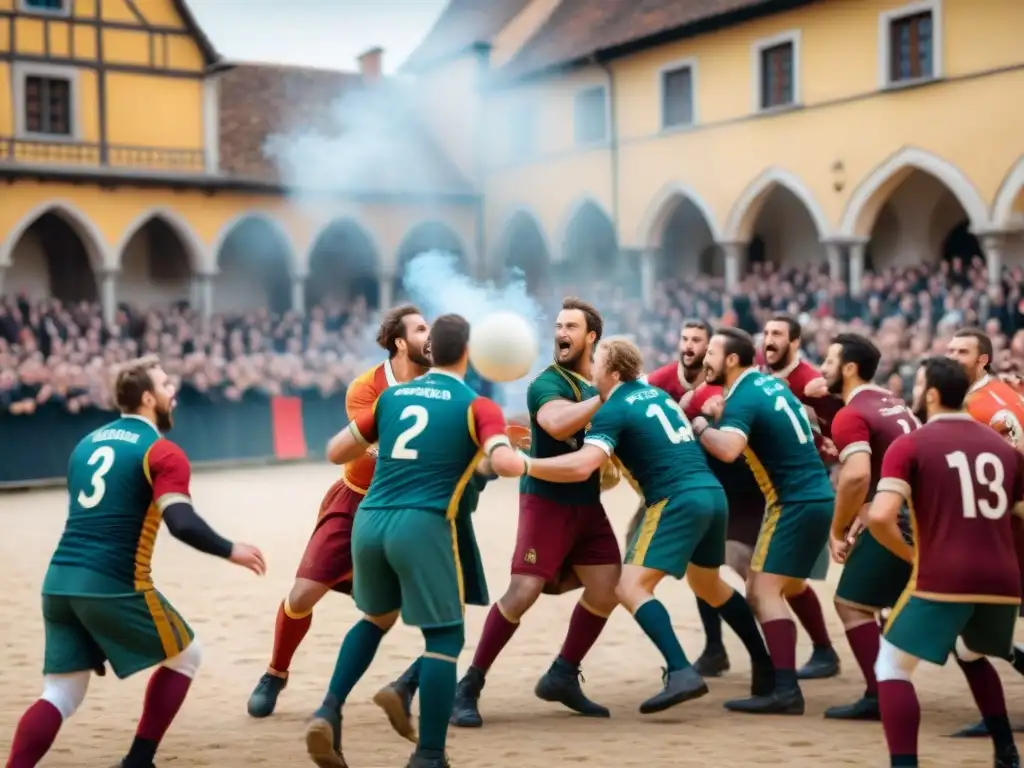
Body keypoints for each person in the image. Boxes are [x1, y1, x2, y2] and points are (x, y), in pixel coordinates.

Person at [5, 356, 266, 768]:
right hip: (112, 581)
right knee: (187, 655)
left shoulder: (86, 444)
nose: (173, 392)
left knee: (59, 694)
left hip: (57, 582)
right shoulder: (162, 452)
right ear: (148, 398)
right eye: (166, 385)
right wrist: (230, 548)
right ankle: (138, 760)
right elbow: (180, 523)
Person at [303, 313, 527, 768]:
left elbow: (333, 452)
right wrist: (515, 453)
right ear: (471, 353)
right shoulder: (478, 404)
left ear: (432, 350)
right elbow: (502, 464)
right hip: (422, 525)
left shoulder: (392, 398)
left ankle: (328, 708)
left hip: (369, 520)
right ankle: (428, 755)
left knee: (375, 617)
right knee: (446, 636)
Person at [524, 337, 773, 712]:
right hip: (711, 494)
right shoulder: (658, 396)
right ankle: (765, 666)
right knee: (708, 584)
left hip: (675, 500)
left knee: (627, 586)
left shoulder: (613, 409)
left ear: (611, 372)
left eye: (596, 364)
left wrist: (525, 464)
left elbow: (582, 466)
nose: (590, 371)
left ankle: (680, 671)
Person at [247, 305, 430, 719]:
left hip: (407, 507)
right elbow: (370, 450)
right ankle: (275, 672)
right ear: (400, 342)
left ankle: (411, 685)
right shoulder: (365, 387)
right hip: (356, 498)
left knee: (411, 608)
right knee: (302, 594)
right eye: (421, 329)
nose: (430, 335)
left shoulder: (442, 385)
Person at [451, 297, 621, 727]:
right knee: (523, 592)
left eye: (571, 326)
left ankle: (563, 673)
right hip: (546, 502)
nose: (561, 332)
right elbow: (556, 424)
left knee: (607, 587)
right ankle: (468, 685)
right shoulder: (547, 382)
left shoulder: (593, 385)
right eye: (559, 325)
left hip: (586, 504)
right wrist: (606, 398)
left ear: (591, 336)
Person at [868, 356, 1024, 768]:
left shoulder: (911, 444)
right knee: (971, 652)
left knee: (891, 667)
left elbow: (882, 516)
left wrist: (910, 554)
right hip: (1004, 578)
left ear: (932, 394)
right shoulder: (1004, 450)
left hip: (945, 575)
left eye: (919, 386)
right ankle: (1006, 752)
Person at [692, 328, 834, 715]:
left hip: (792, 502)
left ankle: (785, 689)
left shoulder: (744, 394)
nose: (705, 358)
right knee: (770, 586)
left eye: (712, 353)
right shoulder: (767, 385)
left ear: (732, 360)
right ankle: (788, 675)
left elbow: (729, 449)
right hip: (813, 495)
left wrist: (703, 427)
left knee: (762, 593)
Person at [643, 319, 765, 678]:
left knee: (752, 576)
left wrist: (700, 411)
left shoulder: (717, 387)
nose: (691, 346)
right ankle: (720, 649)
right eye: (685, 339)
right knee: (702, 572)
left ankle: (778, 651)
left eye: (700, 341)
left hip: (733, 486)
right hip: (681, 486)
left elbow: (720, 410)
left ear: (715, 351)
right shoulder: (660, 379)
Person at [818, 333, 916, 721]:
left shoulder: (851, 413)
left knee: (852, 604)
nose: (823, 369)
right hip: (916, 514)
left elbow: (856, 477)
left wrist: (838, 529)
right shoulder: (896, 403)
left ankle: (880, 694)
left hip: (895, 520)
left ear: (849, 368)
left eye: (828, 362)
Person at [945, 327, 1024, 739]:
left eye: (963, 351)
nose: (953, 356)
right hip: (1004, 532)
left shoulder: (982, 406)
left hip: (1007, 534)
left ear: (983, 359)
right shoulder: (997, 396)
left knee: (969, 632)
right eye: (950, 350)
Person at [762, 314, 841, 680]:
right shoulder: (761, 377)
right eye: (765, 333)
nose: (769, 340)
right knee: (782, 579)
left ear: (794, 342)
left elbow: (844, 427)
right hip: (770, 488)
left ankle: (785, 672)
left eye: (777, 334)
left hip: (805, 488)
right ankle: (817, 653)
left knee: (773, 580)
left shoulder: (812, 382)